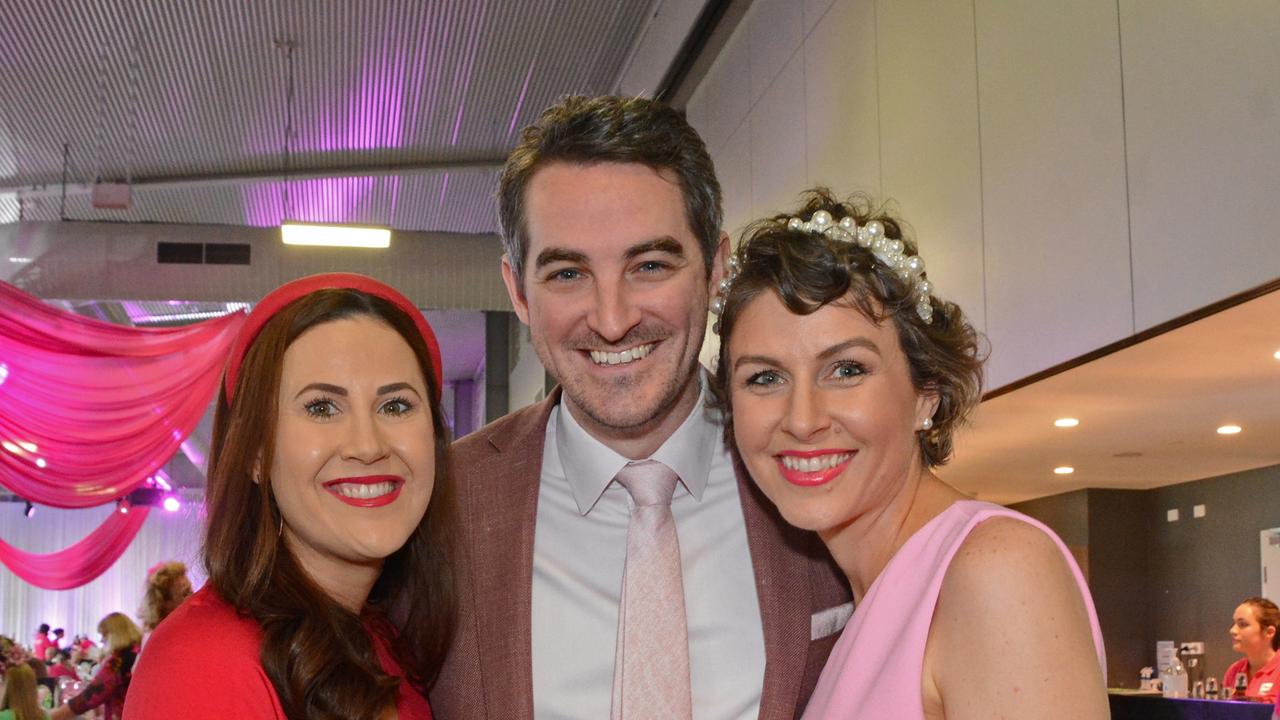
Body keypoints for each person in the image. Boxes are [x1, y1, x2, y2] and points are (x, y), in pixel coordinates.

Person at [431, 96, 850, 719]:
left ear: (715, 271)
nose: (612, 318)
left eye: (649, 265)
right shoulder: (443, 504)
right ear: (518, 292)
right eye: (568, 274)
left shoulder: (820, 472)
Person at [709, 189, 1108, 719]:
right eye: (764, 377)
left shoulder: (997, 571)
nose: (802, 419)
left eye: (847, 369)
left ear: (927, 393)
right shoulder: (852, 601)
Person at [124, 273, 454, 720]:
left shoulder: (385, 641)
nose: (368, 445)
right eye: (321, 407)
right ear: (256, 454)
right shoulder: (205, 660)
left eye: (395, 406)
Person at [50, 612, 140, 720]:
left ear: (115, 634)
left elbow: (88, 698)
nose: (101, 640)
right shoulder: (139, 653)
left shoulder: (116, 663)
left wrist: (47, 717)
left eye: (104, 636)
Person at [1224, 598, 1280, 702]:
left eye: (1243, 624)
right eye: (1234, 623)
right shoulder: (1234, 670)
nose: (1233, 630)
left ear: (1269, 632)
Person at [136, 561, 193, 648]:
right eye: (185, 594)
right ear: (164, 603)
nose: (192, 598)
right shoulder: (155, 640)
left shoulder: (189, 627)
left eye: (191, 592)